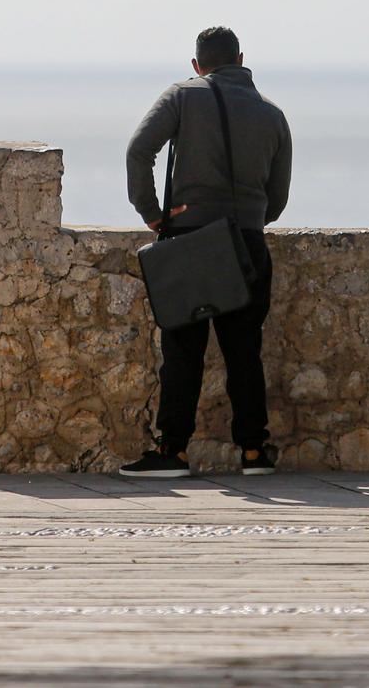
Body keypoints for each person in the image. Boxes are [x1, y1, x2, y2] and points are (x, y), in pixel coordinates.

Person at [118, 26, 293, 479]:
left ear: (197, 65)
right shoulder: (273, 114)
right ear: (241, 58)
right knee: (243, 352)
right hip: (249, 243)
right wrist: (249, 217)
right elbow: (277, 201)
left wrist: (153, 213)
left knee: (182, 353)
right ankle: (254, 453)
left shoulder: (183, 96)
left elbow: (139, 152)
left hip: (192, 239)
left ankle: (173, 452)